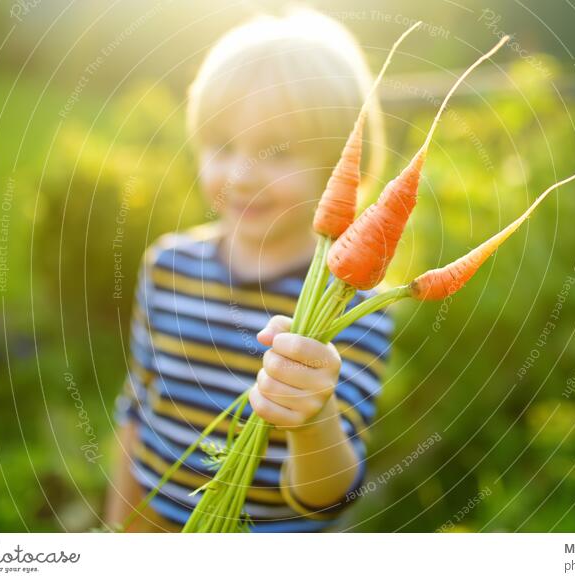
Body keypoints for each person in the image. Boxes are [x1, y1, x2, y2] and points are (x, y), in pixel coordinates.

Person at [105, 8, 392, 533]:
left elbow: (329, 495)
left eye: (275, 152)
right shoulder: (167, 267)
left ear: (338, 169)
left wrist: (312, 418)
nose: (240, 176)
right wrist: (118, 526)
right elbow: (136, 411)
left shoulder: (352, 306)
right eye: (222, 146)